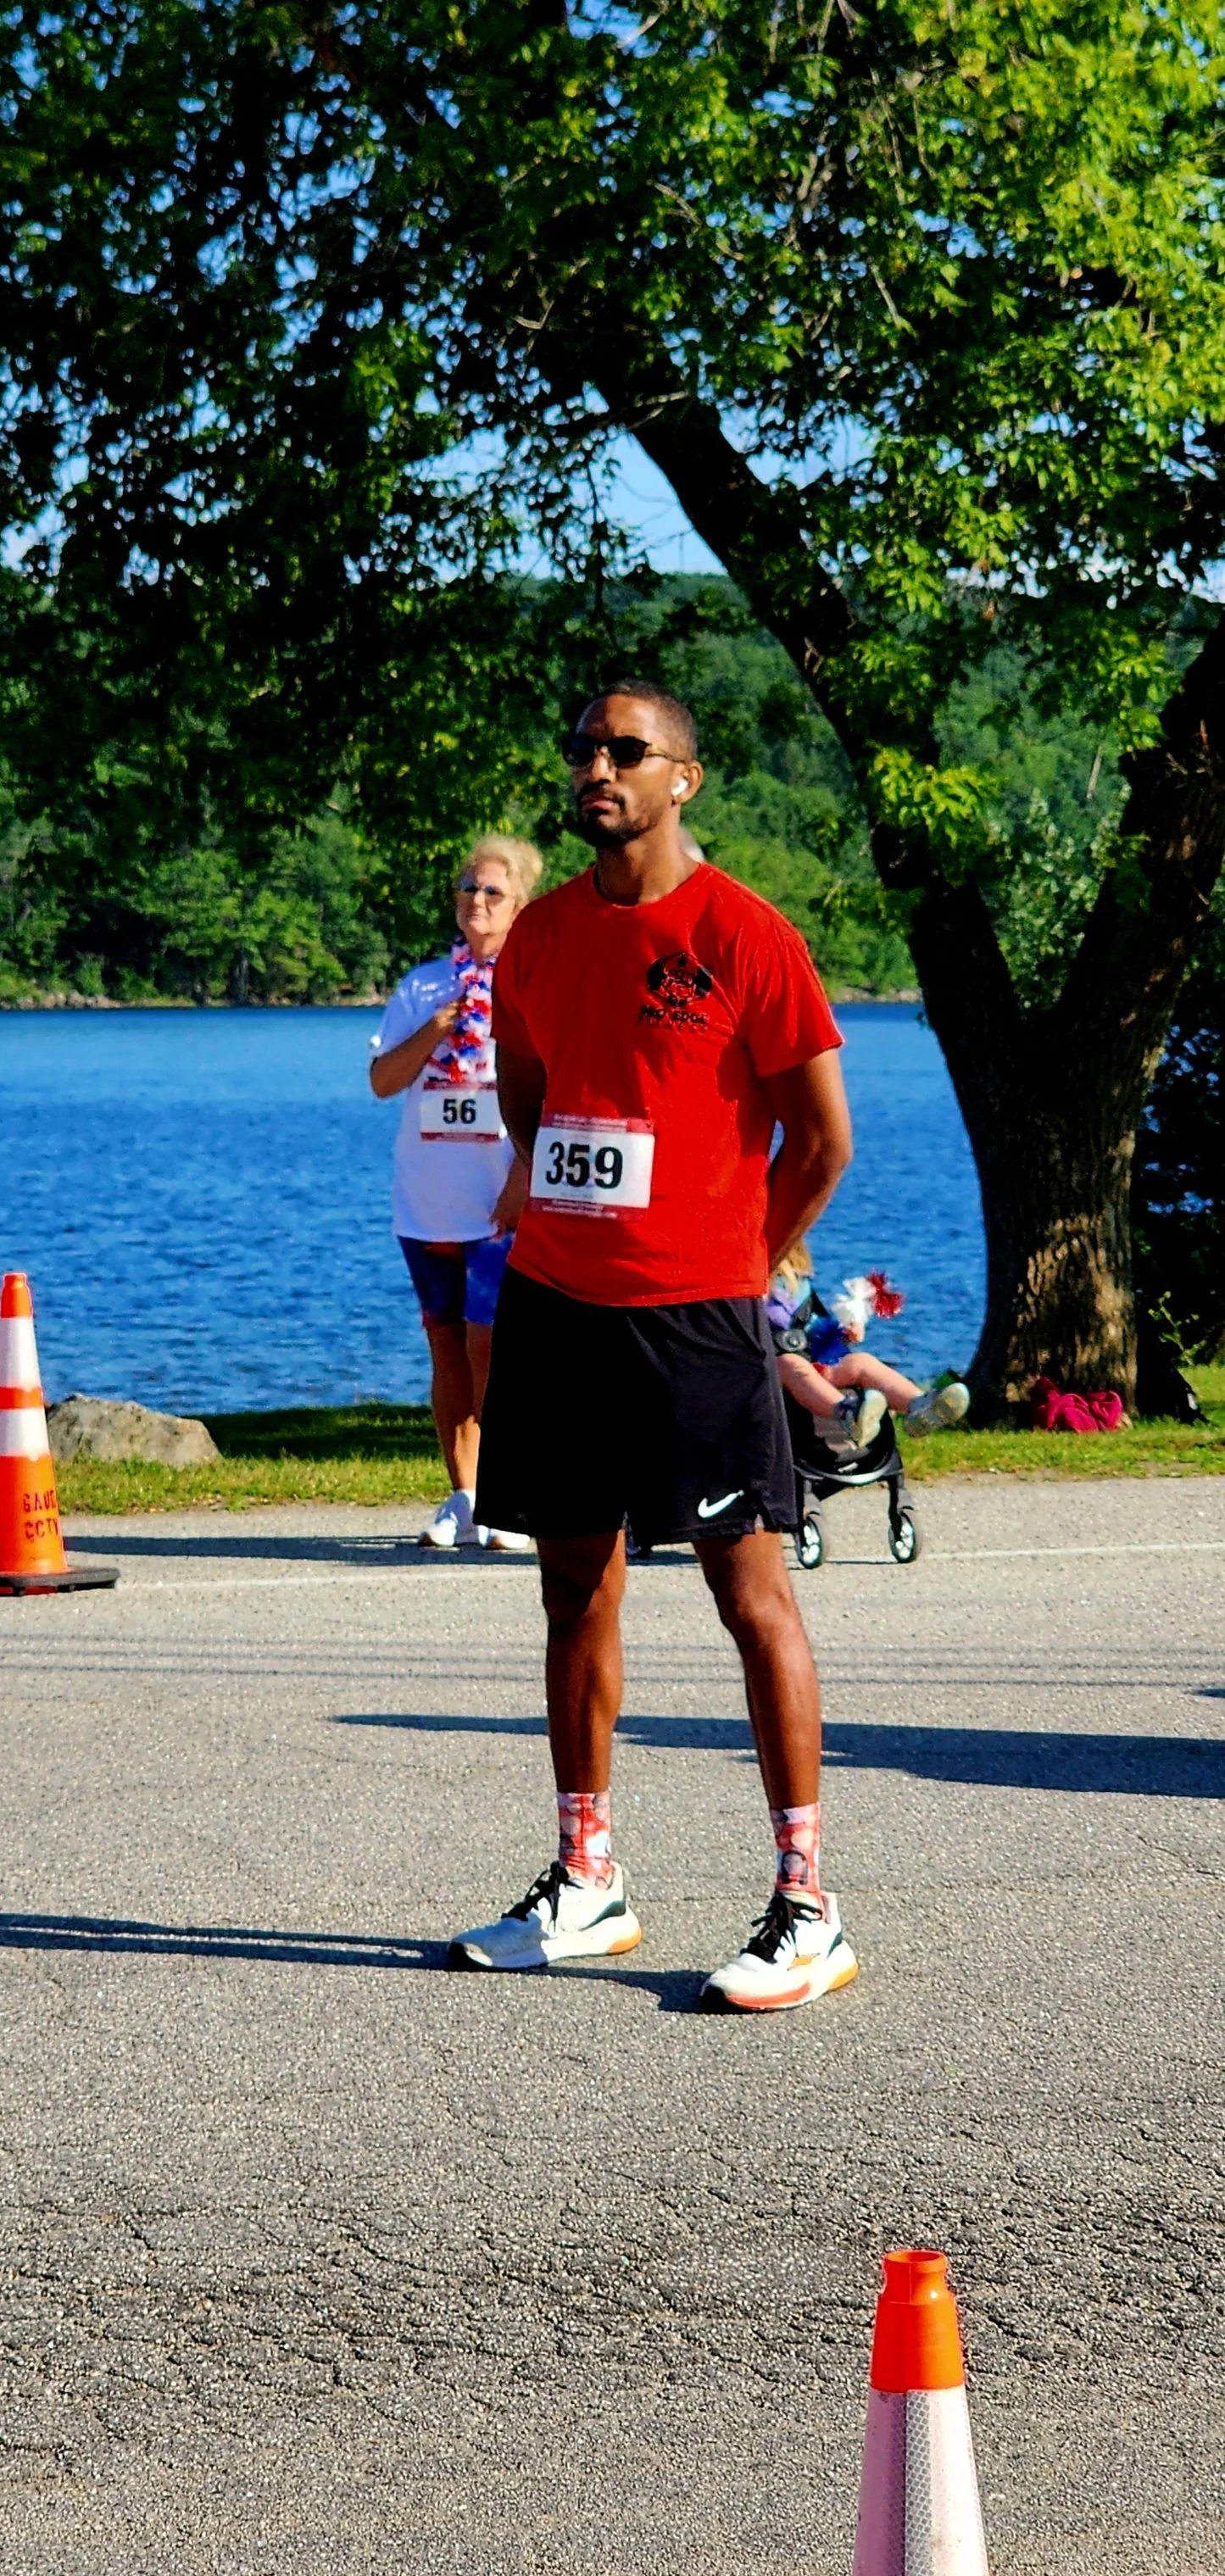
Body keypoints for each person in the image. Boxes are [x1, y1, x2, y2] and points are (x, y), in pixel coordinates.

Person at [448, 681, 858, 2011]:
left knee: (751, 1599)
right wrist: (555, 1195)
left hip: (700, 1320)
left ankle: (807, 1904)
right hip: (561, 1308)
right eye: (583, 747)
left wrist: (745, 1257)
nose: (595, 767)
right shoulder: (547, 934)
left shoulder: (747, 933)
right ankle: (587, 1877)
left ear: (683, 775)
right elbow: (529, 1091)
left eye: (625, 749)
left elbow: (822, 1138)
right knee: (575, 1589)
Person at [370, 834, 541, 1551]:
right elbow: (382, 1082)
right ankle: (464, 1496)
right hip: (425, 1198)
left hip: (500, 1199)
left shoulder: (535, 982)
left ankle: (511, 1494)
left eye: (492, 891)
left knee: (490, 1347)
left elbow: (560, 1089)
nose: (476, 901)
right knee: (445, 1348)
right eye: (467, 888)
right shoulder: (422, 987)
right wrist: (435, 1029)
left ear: (520, 904)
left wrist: (524, 1174)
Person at [767, 1243, 970, 1448]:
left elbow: (815, 1328)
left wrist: (843, 1333)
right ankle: (847, 1415)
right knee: (791, 1362)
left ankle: (920, 1405)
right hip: (766, 1370)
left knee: (860, 1362)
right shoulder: (749, 1292)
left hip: (809, 1361)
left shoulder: (797, 1286)